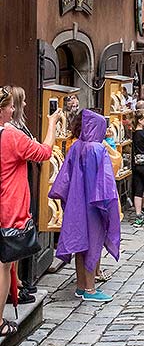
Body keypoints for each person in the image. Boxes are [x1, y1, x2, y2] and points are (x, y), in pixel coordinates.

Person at [0, 87, 60, 335]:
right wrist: (52, 124)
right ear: (2, 110)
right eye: (10, 106)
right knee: (4, 265)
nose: (13, 110)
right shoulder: (11, 136)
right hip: (8, 206)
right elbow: (44, 153)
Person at [49, 110, 120, 303]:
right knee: (93, 244)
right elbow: (106, 183)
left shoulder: (76, 147)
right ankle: (90, 288)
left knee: (80, 245)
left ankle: (80, 286)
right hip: (93, 205)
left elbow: (64, 178)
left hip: (76, 204)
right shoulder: (97, 149)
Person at [9, 87, 37, 304]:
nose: (26, 105)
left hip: (22, 182)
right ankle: (13, 287)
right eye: (22, 101)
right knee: (13, 239)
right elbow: (40, 151)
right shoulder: (11, 130)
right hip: (14, 187)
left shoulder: (19, 127)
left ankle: (16, 282)